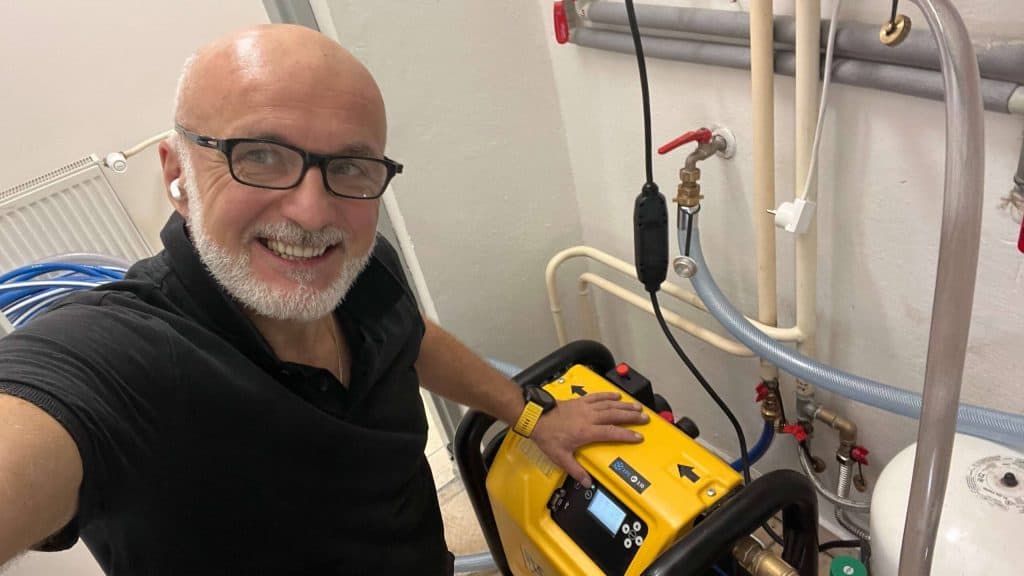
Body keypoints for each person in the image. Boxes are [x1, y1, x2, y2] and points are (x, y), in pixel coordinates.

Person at [0, 24, 648, 575]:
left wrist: (530, 415)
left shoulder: (362, 271)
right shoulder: (122, 357)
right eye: (260, 155)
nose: (312, 213)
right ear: (177, 174)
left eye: (350, 167)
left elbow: (411, 337)